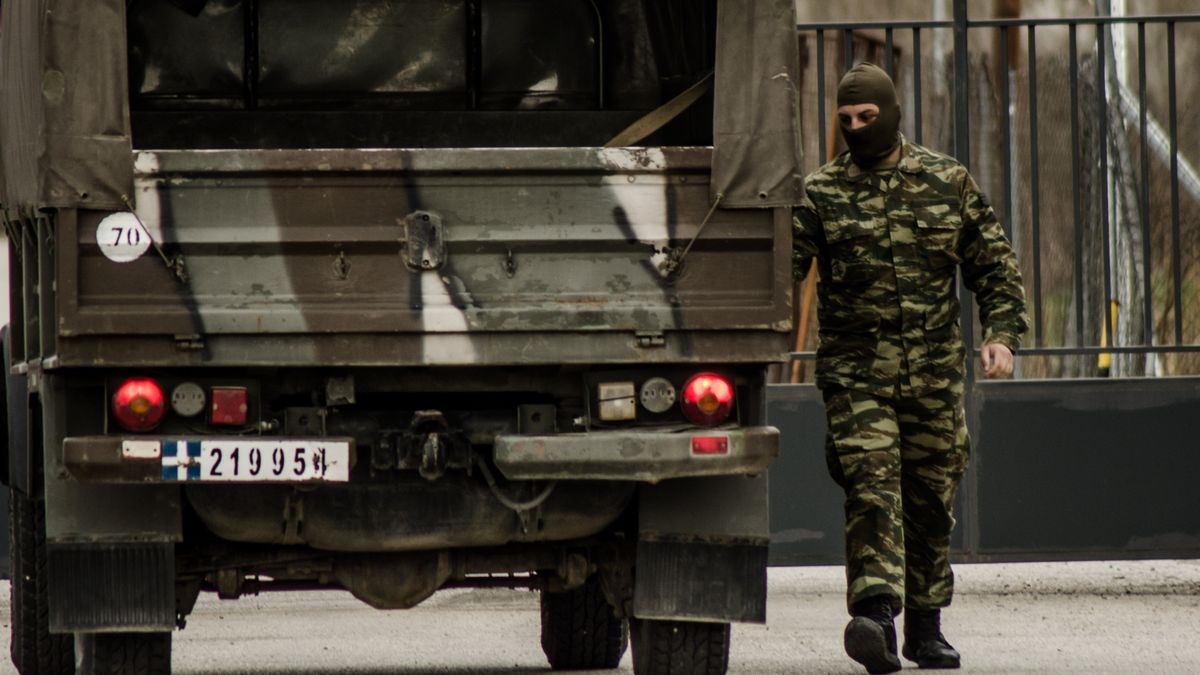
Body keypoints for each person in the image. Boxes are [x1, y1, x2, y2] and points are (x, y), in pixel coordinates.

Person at [792, 63, 1028, 674]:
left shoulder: (946, 181)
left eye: (867, 119)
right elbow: (777, 272)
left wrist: (1001, 336)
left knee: (929, 501)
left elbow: (995, 268)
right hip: (856, 375)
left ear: (893, 115)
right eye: (845, 121)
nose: (856, 130)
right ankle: (876, 618)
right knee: (872, 488)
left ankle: (927, 626)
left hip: (933, 375)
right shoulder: (821, 193)